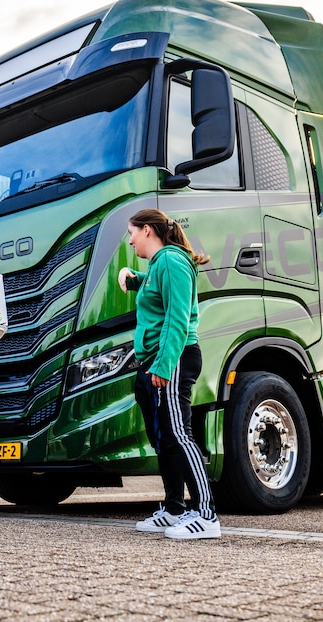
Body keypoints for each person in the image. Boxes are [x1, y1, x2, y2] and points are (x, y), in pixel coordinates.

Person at [119, 208, 220, 540]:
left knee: (180, 434)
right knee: (164, 438)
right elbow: (153, 288)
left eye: (132, 232)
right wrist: (132, 278)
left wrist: (163, 365)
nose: (129, 239)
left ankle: (207, 517)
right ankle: (175, 508)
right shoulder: (159, 264)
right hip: (156, 362)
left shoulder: (173, 262)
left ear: (147, 230)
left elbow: (177, 317)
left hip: (173, 359)